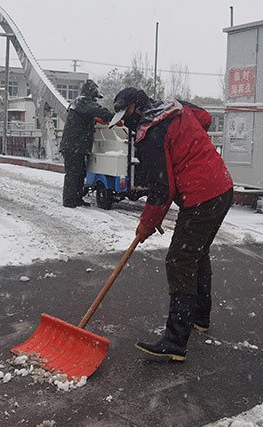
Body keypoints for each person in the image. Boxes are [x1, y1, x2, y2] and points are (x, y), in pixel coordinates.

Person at [109, 87, 234, 361]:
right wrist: (185, 139)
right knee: (196, 254)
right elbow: (204, 117)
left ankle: (175, 341)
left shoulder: (152, 134)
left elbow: (161, 189)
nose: (123, 123)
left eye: (124, 116)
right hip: (221, 188)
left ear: (137, 109)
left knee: (179, 260)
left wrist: (146, 225)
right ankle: (199, 318)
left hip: (202, 195)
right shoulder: (174, 108)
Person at [58, 79, 113, 208]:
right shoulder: (82, 101)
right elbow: (96, 110)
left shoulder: (79, 104)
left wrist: (95, 121)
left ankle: (77, 198)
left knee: (80, 173)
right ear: (90, 93)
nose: (95, 100)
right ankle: (69, 200)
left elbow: (86, 118)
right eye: (94, 97)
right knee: (73, 173)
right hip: (73, 146)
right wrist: (112, 116)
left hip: (76, 146)